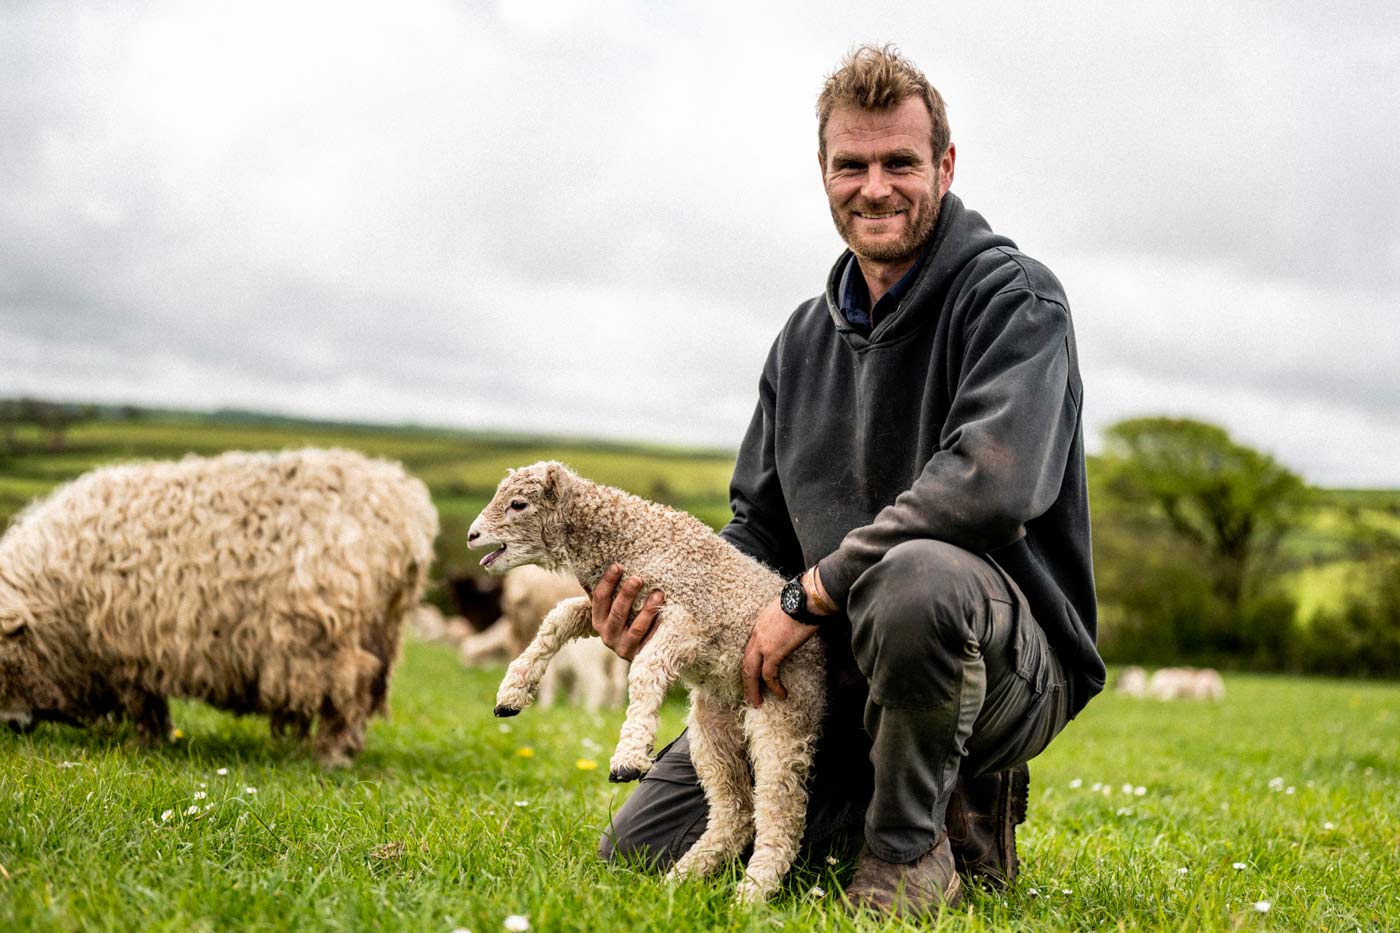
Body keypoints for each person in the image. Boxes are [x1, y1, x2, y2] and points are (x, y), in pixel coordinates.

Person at [590, 43, 1105, 916]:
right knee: (640, 850)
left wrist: (812, 592)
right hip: (832, 663)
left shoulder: (1016, 301)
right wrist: (666, 597)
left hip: (1004, 661)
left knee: (917, 578)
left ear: (944, 165)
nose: (875, 187)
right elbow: (757, 529)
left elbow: (989, 484)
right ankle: (875, 791)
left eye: (900, 161)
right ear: (823, 173)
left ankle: (912, 843)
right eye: (851, 165)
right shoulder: (800, 342)